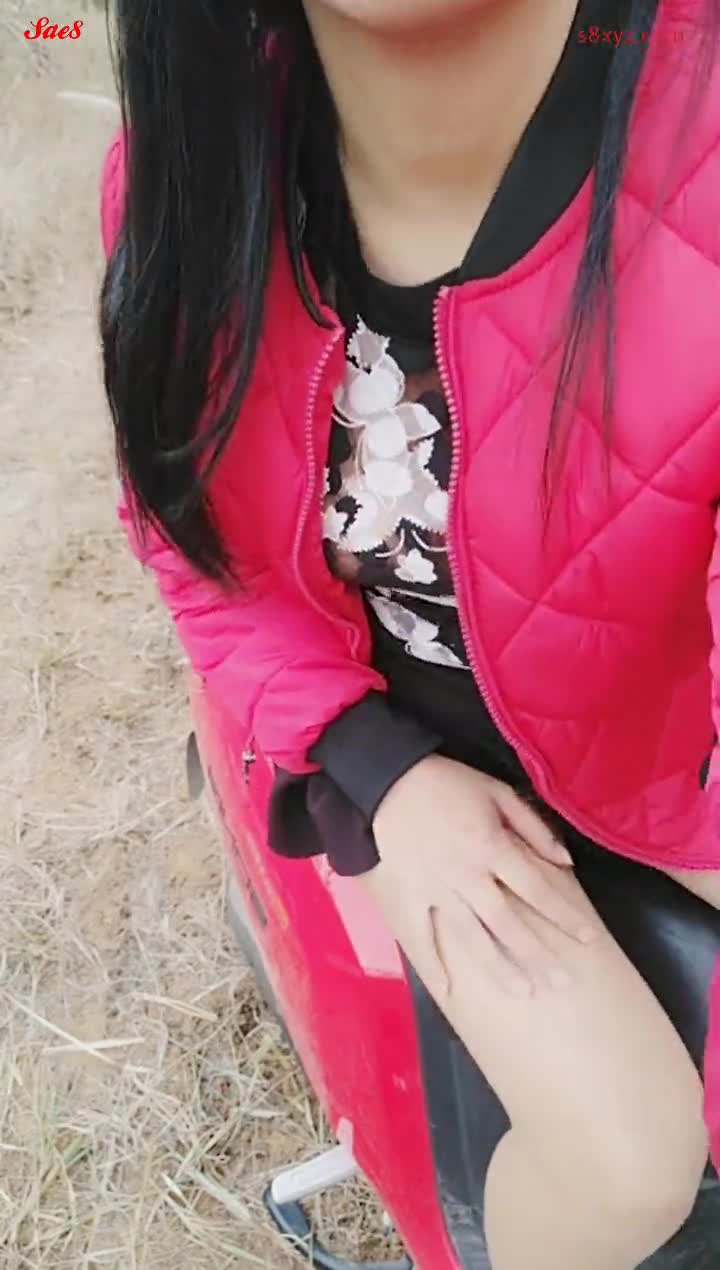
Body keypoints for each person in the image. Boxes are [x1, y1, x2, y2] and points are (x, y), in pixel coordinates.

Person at [99, 0, 720, 1265]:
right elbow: (194, 549)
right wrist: (384, 773)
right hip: (398, 732)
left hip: (661, 751)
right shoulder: (195, 161)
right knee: (626, 1161)